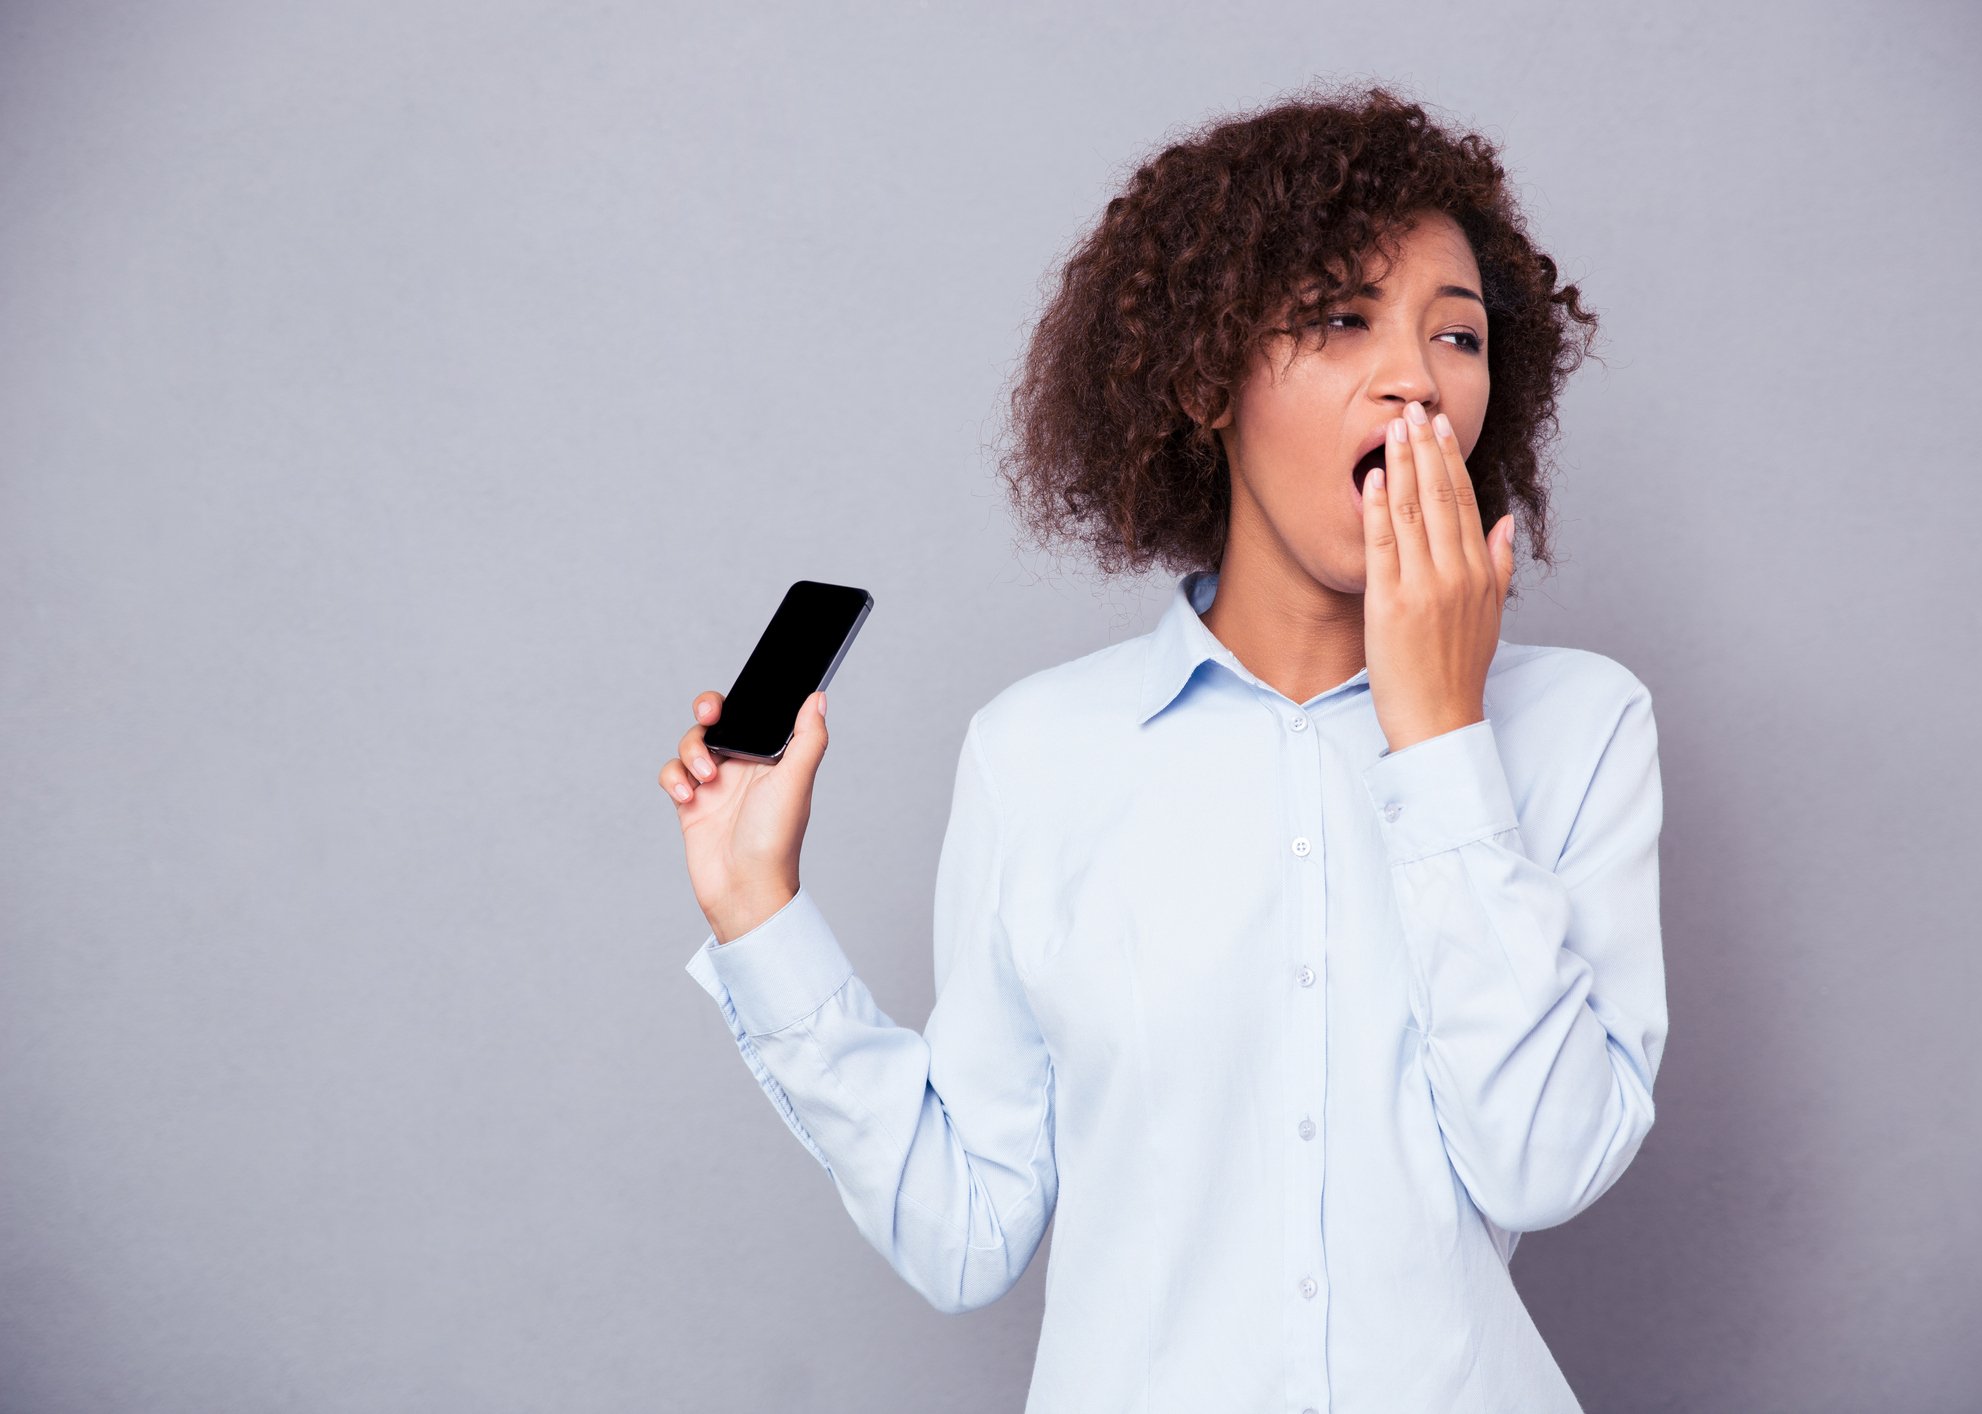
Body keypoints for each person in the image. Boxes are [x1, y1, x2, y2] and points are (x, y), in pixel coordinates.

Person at [658, 80, 1666, 1414]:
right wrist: (756, 914)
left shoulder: (1579, 726)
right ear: (1205, 379)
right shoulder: (1037, 754)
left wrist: (1439, 740)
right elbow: (965, 1228)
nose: (1414, 379)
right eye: (1338, 317)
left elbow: (1541, 1161)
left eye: (1457, 336)